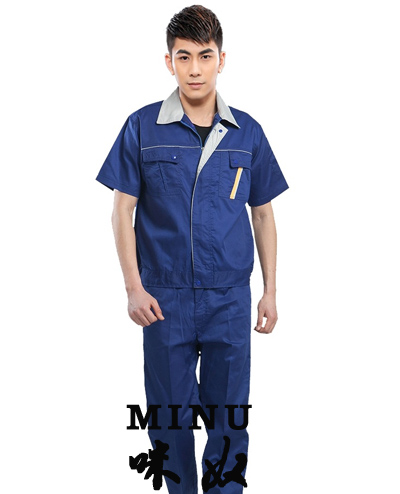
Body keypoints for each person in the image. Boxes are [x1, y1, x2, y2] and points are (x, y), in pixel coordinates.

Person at [96, 5, 289, 493]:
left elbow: (263, 214)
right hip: (164, 299)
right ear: (169, 62)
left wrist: (269, 291)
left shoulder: (248, 133)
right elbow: (121, 212)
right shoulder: (142, 127)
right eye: (184, 57)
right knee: (168, 419)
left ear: (222, 59)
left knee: (229, 418)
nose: (195, 69)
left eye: (205, 56)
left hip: (229, 298)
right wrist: (133, 288)